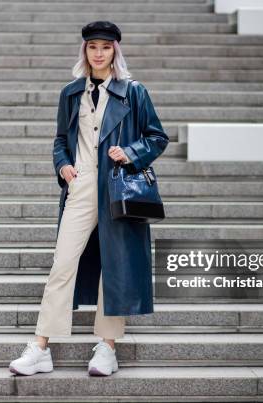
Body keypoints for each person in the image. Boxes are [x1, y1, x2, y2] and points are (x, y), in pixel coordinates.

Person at [9, 20, 169, 377]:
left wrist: (129, 153)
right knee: (61, 265)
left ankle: (107, 348)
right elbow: (59, 141)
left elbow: (158, 137)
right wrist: (63, 165)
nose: (99, 53)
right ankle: (40, 347)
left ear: (116, 51)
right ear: (84, 50)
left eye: (106, 47)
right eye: (93, 47)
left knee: (114, 268)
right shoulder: (70, 93)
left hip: (117, 189)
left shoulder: (134, 92)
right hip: (80, 188)